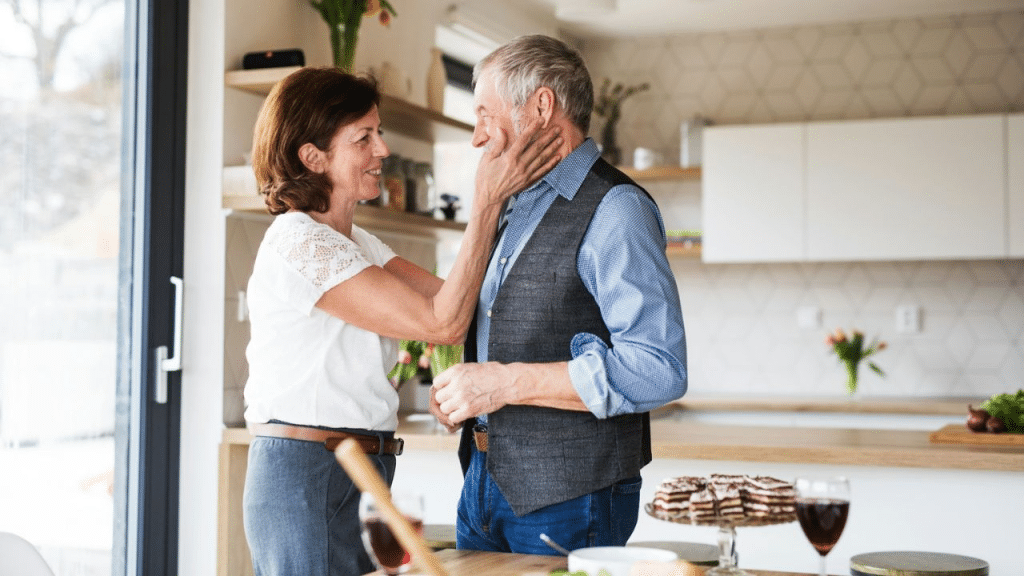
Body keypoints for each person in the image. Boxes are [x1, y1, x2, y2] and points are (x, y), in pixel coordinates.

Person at [241, 66, 561, 576]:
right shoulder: (299, 241)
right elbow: (441, 321)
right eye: (363, 138)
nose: (382, 151)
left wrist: (454, 368)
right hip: (311, 472)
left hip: (357, 467)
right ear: (312, 155)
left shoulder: (358, 243)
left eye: (379, 133)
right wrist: (485, 199)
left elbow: (460, 302)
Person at [429, 35, 688, 555]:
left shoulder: (616, 209)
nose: (478, 137)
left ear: (541, 107)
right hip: (481, 483)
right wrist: (466, 395)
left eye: (485, 114)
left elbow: (660, 367)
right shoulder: (508, 205)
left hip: (573, 496)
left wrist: (502, 384)